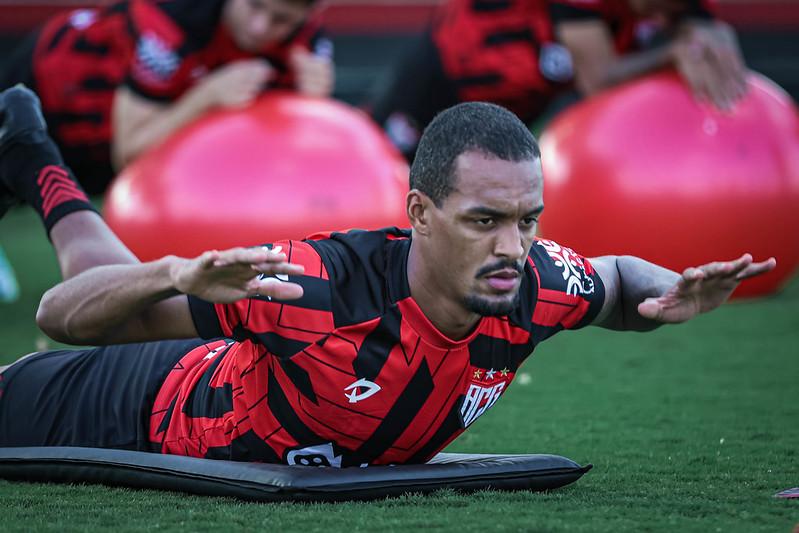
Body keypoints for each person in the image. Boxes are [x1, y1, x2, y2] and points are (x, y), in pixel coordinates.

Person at [0, 86, 774, 467]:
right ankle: (37, 156)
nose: (513, 246)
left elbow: (611, 277)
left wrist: (666, 292)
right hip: (143, 406)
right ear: (420, 213)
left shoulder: (535, 281)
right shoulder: (313, 288)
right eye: (483, 221)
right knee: (114, 299)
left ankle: (28, 153)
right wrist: (171, 271)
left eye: (528, 219)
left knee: (126, 285)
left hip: (226, 379)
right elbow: (63, 315)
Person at [0, 0, 333, 194]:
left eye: (281, 19)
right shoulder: (175, 16)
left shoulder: (307, 42)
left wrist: (310, 105)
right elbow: (128, 153)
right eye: (253, 4)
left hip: (122, 126)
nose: (260, 27)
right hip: (50, 87)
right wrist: (207, 96)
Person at [371, 0, 747, 160]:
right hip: (454, 66)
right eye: (660, 8)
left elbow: (703, 30)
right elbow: (597, 78)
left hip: (524, 94)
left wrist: (708, 34)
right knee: (386, 164)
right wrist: (671, 51)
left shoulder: (675, 8)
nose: (663, 21)